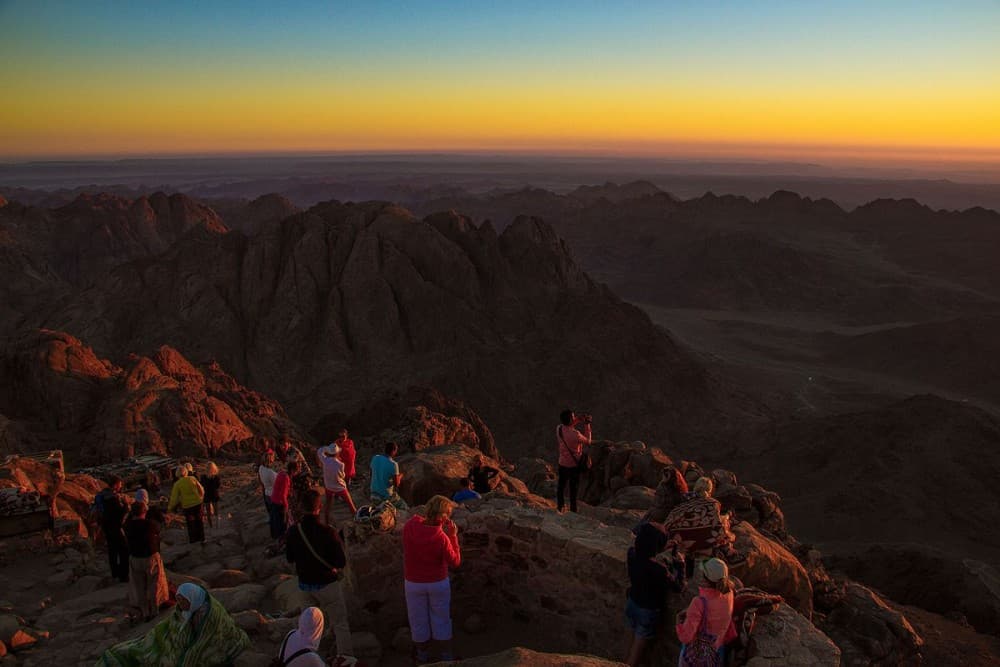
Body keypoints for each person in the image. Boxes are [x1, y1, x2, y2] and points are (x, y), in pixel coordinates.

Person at [96, 582, 251, 666]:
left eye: (183, 601)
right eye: (179, 600)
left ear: (192, 598)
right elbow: (173, 624)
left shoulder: (210, 615)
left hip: (214, 644)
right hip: (183, 641)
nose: (180, 604)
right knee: (130, 650)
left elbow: (205, 640)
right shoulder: (189, 607)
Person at [285, 489, 354, 664]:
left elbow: (290, 558)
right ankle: (345, 658)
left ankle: (307, 658)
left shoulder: (294, 532)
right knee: (340, 623)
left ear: (301, 507)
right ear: (320, 507)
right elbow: (340, 561)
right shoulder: (328, 532)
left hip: (305, 584)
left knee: (307, 628)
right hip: (327, 584)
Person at [403, 495, 461, 664]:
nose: (448, 518)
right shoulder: (441, 538)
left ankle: (422, 656)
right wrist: (453, 536)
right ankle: (446, 657)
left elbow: (419, 524)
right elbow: (455, 562)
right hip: (437, 582)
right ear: (442, 517)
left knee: (417, 619)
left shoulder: (409, 527)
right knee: (441, 618)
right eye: (447, 515)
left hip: (413, 583)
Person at [623, 523, 684, 667]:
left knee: (628, 642)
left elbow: (646, 553)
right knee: (636, 652)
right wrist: (680, 566)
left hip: (632, 602)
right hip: (647, 611)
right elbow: (678, 586)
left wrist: (662, 547)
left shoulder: (632, 554)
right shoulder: (659, 570)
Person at [675, 558, 737, 665]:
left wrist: (678, 622)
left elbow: (686, 636)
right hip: (717, 650)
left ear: (706, 578)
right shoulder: (729, 594)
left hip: (697, 652)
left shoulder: (699, 602)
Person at [124, 489, 169, 622]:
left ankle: (144, 611)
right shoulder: (149, 524)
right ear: (144, 511)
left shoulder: (128, 525)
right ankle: (154, 609)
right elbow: (159, 529)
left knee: (139, 586)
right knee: (154, 584)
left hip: (135, 558)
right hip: (150, 557)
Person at [556, 409, 592, 513]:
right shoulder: (575, 434)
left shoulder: (559, 428)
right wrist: (587, 424)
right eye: (573, 416)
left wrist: (578, 420)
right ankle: (573, 510)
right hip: (573, 465)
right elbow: (588, 441)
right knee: (573, 489)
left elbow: (568, 425)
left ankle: (560, 506)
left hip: (562, 463)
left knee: (561, 487)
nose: (575, 417)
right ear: (570, 419)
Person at [97, 475, 130, 583]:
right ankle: (123, 575)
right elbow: (119, 514)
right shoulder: (112, 498)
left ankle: (115, 573)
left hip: (106, 526)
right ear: (116, 484)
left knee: (112, 550)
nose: (121, 486)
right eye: (120, 484)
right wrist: (125, 506)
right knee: (124, 550)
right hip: (115, 527)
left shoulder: (103, 494)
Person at [168, 465, 206, 544]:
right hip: (198, 503)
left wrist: (170, 508)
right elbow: (201, 489)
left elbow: (174, 498)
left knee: (190, 523)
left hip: (187, 506)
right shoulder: (193, 479)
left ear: (177, 474)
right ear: (186, 472)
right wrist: (201, 498)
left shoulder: (177, 484)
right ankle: (202, 538)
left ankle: (193, 540)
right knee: (199, 521)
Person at [321, 444, 358, 522]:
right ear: (337, 453)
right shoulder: (340, 464)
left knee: (328, 505)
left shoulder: (325, 460)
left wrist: (326, 448)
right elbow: (342, 476)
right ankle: (357, 518)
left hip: (328, 486)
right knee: (350, 505)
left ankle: (326, 521)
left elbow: (319, 451)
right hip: (339, 487)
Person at [371, 442, 407, 509]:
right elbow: (396, 484)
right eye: (396, 450)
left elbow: (372, 472)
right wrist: (401, 475)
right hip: (385, 497)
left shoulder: (375, 458)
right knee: (404, 507)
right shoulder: (393, 464)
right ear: (393, 450)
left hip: (373, 494)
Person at [271, 460, 298, 544]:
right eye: (297, 471)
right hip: (279, 502)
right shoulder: (286, 478)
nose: (297, 473)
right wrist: (286, 506)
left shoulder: (281, 473)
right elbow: (283, 494)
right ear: (293, 470)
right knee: (282, 522)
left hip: (274, 499)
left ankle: (277, 536)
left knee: (276, 520)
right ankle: (282, 539)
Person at [259, 449, 283, 540]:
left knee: (272, 516)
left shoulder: (261, 468)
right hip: (274, 495)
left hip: (267, 494)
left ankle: (273, 534)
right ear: (270, 458)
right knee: (277, 518)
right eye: (273, 456)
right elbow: (277, 485)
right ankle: (278, 535)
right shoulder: (271, 473)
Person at [200, 462, 222, 529]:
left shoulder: (203, 477)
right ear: (214, 468)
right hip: (214, 494)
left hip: (206, 495)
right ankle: (217, 525)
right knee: (216, 511)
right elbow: (218, 486)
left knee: (208, 512)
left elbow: (202, 485)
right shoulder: (216, 477)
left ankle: (211, 526)